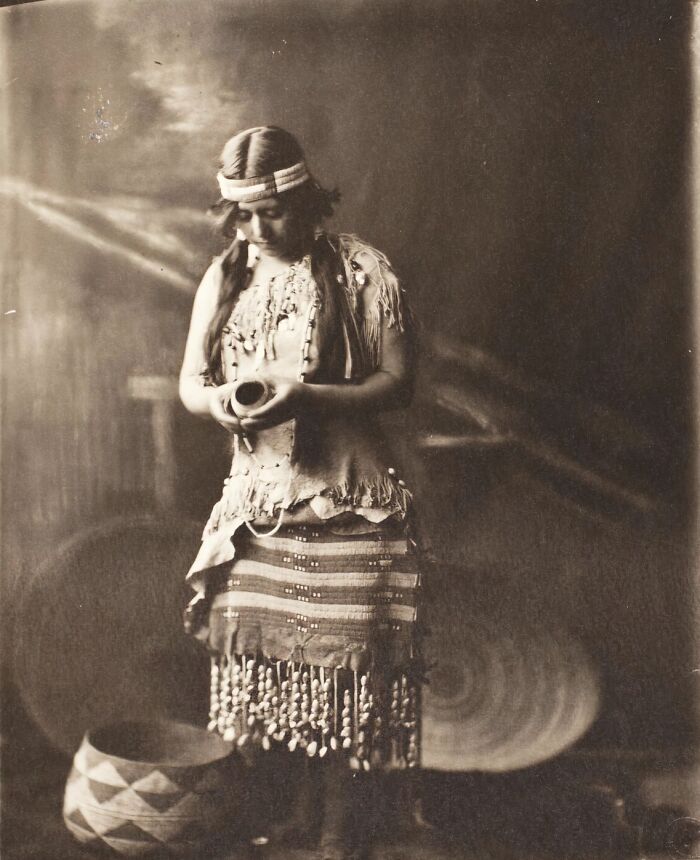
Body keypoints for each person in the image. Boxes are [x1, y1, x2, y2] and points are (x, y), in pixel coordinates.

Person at [179, 125, 422, 860]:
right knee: (282, 669)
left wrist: (307, 395)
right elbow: (192, 381)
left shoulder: (362, 269)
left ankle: (339, 832)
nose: (257, 229)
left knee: (340, 676)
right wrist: (218, 405)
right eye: (244, 215)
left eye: (273, 213)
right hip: (258, 508)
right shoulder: (226, 276)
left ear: (308, 200)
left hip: (349, 501)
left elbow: (398, 382)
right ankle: (303, 814)